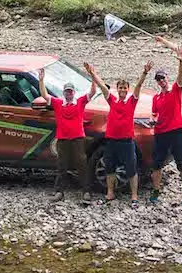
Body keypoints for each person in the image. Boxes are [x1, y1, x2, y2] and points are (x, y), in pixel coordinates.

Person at [84, 60, 148, 206]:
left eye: (125, 88)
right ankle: (110, 193)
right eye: (120, 88)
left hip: (126, 142)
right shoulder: (112, 101)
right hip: (111, 141)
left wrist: (144, 73)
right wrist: (92, 73)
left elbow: (138, 87)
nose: (123, 90)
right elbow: (102, 86)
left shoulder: (132, 102)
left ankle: (134, 196)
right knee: (109, 168)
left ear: (128, 89)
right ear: (117, 89)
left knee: (132, 169)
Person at [36, 66, 95, 204]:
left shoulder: (80, 102)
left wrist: (93, 76)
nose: (68, 94)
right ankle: (59, 192)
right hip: (62, 139)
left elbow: (92, 93)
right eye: (66, 91)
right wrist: (41, 81)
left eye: (70, 91)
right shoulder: (58, 103)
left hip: (78, 138)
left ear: (73, 92)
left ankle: (86, 192)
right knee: (62, 166)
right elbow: (45, 95)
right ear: (64, 92)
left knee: (81, 164)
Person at [149, 51, 182, 206]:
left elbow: (181, 79)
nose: (161, 81)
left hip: (176, 132)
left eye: (163, 78)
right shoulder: (156, 98)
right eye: (159, 79)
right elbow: (154, 113)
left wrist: (181, 62)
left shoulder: (175, 91)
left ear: (167, 78)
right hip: (160, 133)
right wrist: (153, 120)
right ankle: (156, 190)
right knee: (157, 163)